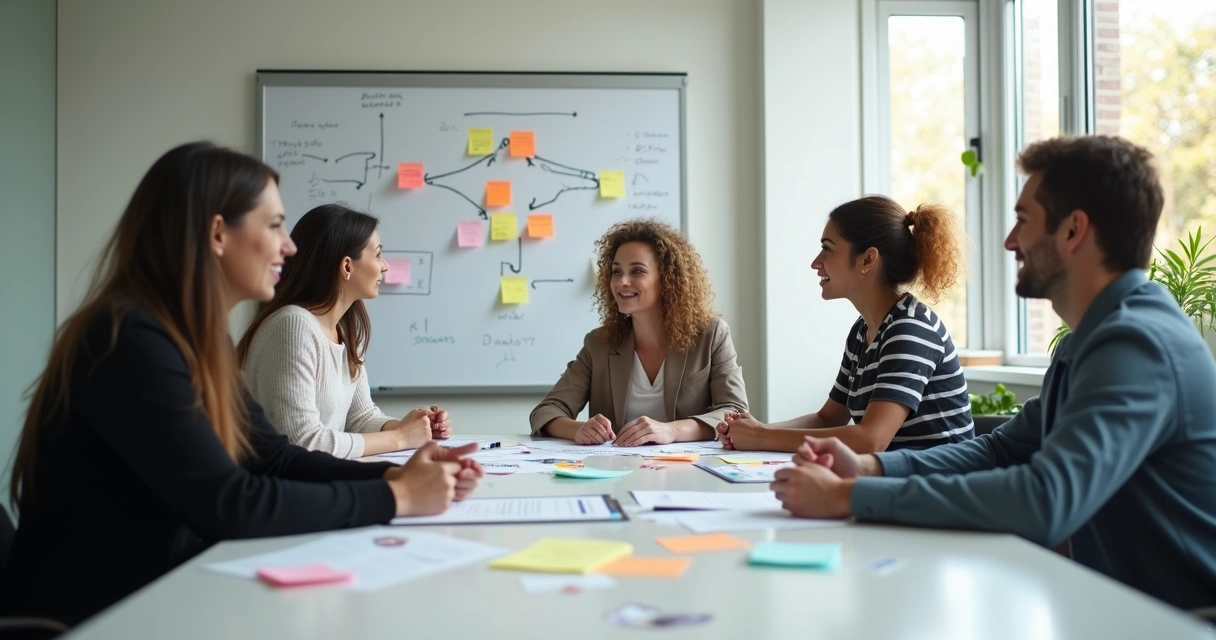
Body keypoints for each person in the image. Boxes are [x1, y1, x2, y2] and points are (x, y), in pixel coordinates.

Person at [0, 142, 483, 627]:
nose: (289, 246)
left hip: (156, 595)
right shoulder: (128, 338)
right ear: (217, 234)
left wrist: (396, 476)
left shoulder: (186, 338)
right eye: (274, 225)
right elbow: (230, 503)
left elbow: (273, 455)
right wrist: (396, 498)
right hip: (91, 619)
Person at [772, 135, 1216, 611]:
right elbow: (1002, 448)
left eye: (1022, 220)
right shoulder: (1090, 340)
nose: (1009, 241)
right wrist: (868, 467)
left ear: (1073, 231)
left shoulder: (1136, 343)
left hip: (1179, 621)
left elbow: (1045, 500)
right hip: (1121, 609)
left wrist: (851, 497)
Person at [718, 196, 973, 453]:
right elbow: (827, 419)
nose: (816, 262)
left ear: (867, 260)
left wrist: (761, 437)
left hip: (939, 486)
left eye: (827, 248)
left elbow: (871, 440)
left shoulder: (910, 331)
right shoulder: (862, 332)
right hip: (898, 481)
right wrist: (757, 429)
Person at [238, 204, 451, 459]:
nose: (385, 266)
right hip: (274, 488)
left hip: (315, 480)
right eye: (378, 255)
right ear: (347, 266)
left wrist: (413, 428)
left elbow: (360, 417)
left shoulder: (345, 330)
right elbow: (300, 442)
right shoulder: (292, 325)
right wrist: (400, 438)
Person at [529, 218, 748, 446]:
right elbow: (545, 412)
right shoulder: (599, 344)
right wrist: (579, 429)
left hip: (691, 472)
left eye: (637, 271)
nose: (622, 282)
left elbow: (735, 412)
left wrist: (672, 430)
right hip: (616, 474)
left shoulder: (711, 335)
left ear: (667, 279)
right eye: (616, 271)